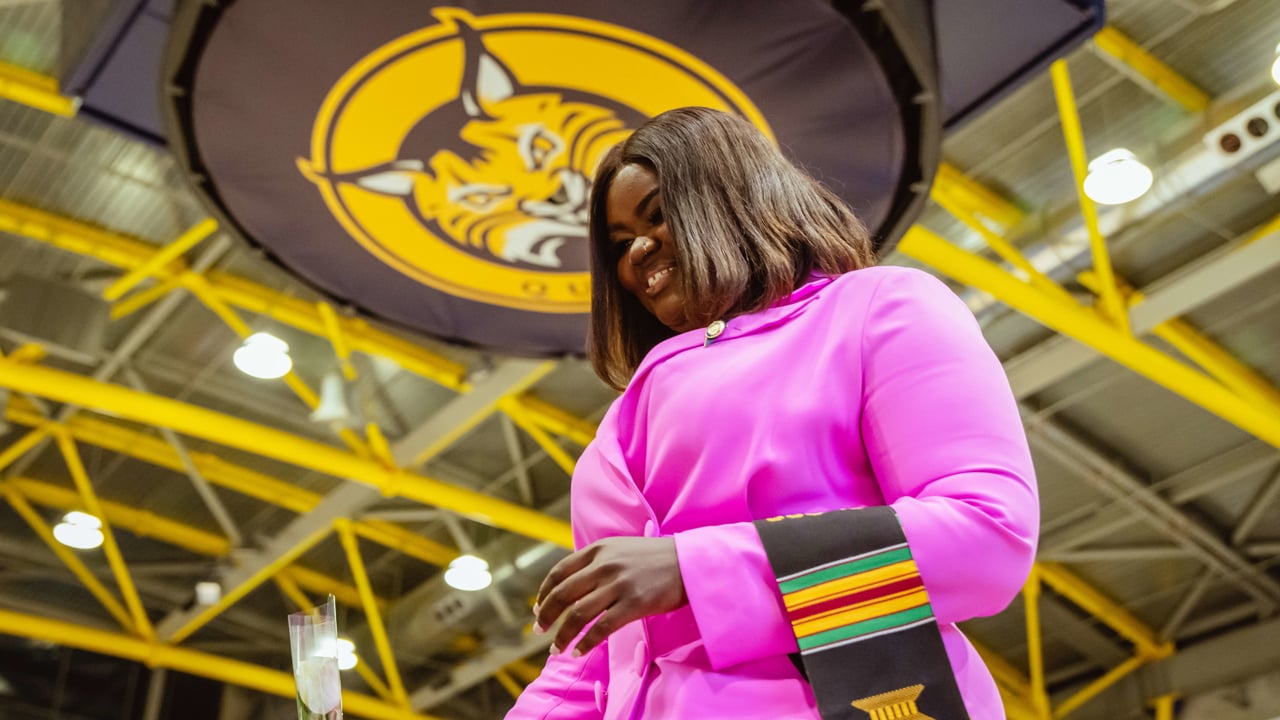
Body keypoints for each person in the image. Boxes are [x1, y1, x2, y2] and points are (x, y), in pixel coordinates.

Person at [506, 107, 1038, 719]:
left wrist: (695, 569)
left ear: (734, 199)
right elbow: (589, 661)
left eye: (657, 216)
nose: (639, 252)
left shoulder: (875, 308)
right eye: (621, 244)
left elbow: (986, 534)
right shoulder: (618, 426)